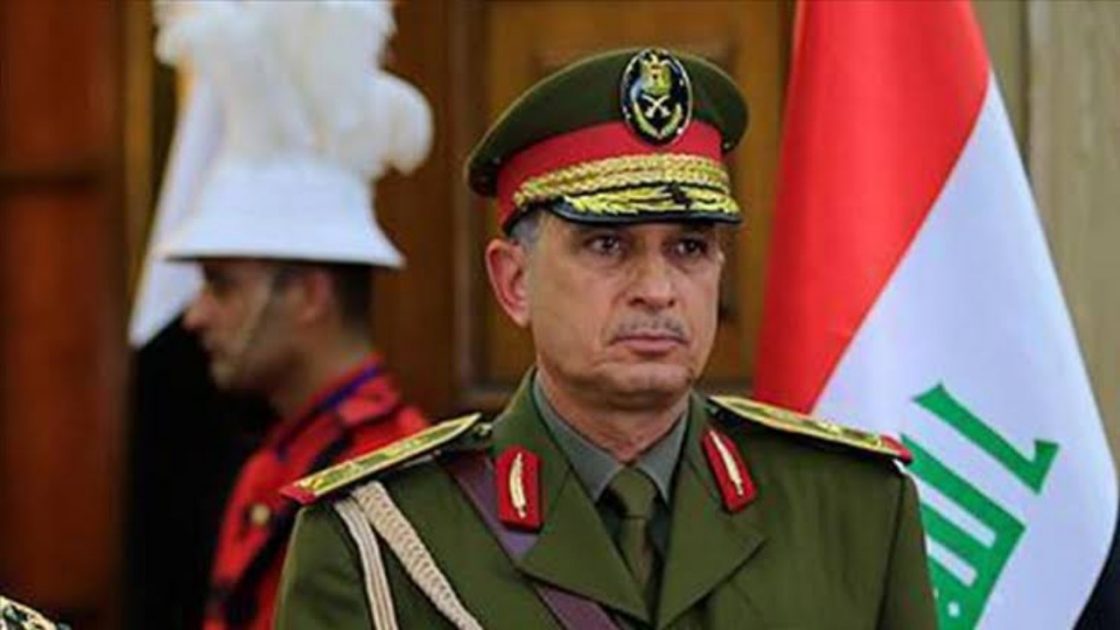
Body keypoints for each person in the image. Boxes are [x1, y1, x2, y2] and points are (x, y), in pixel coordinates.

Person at [274, 48, 937, 629]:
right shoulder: (379, 536)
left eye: (688, 247)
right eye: (608, 246)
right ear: (515, 282)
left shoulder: (854, 509)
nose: (657, 289)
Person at [151, 2, 433, 628]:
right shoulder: (273, 464)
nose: (196, 316)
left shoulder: (398, 477)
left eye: (221, 285)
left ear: (308, 294)